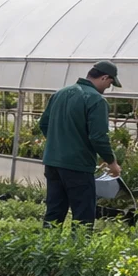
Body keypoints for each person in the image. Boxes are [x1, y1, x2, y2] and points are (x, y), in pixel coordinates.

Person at [37, 61, 122, 224]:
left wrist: (60, 142)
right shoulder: (96, 100)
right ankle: (79, 249)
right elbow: (98, 137)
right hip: (77, 165)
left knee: (54, 211)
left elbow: (44, 124)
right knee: (83, 215)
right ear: (104, 77)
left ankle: (47, 248)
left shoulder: (60, 93)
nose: (108, 88)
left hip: (53, 163)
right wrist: (112, 163)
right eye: (110, 83)